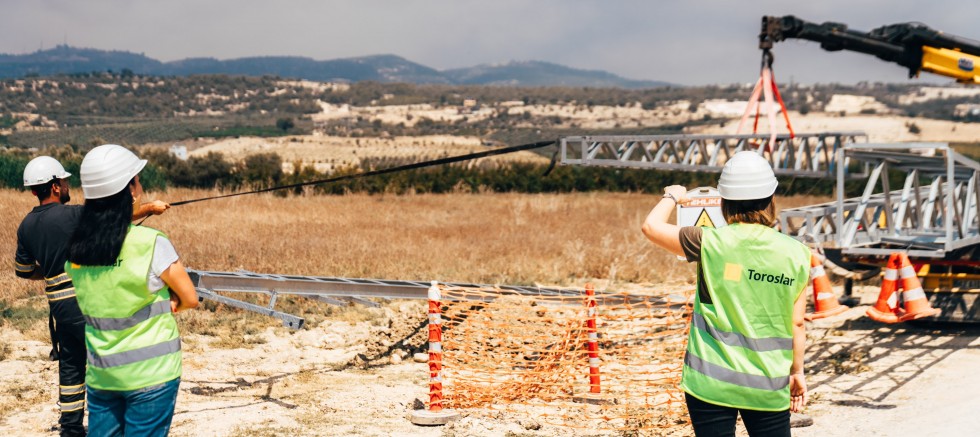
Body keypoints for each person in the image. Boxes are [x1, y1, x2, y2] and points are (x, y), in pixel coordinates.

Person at [641, 151, 809, 437]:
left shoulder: (707, 241)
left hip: (709, 381)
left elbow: (650, 227)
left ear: (724, 202)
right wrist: (797, 372)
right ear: (771, 199)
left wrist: (672, 195)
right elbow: (797, 324)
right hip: (767, 382)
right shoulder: (797, 253)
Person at [14, 155, 169, 437]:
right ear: (55, 187)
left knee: (71, 366)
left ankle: (71, 429)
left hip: (59, 307)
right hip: (85, 302)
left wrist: (52, 271)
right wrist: (150, 208)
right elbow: (109, 217)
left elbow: (23, 271)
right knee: (105, 359)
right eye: (64, 180)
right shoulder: (71, 215)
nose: (67, 184)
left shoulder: (25, 226)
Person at [64, 144, 198, 437]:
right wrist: (174, 304)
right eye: (137, 179)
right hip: (152, 374)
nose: (140, 185)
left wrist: (147, 209)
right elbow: (190, 298)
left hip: (103, 374)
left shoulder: (76, 252)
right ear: (131, 190)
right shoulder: (150, 242)